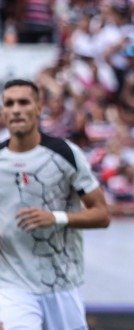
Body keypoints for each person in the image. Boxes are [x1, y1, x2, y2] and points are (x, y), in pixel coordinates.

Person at [0, 79, 111, 329]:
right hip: (12, 287)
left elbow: (102, 215)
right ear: (3, 112)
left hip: (60, 283)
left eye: (23, 102)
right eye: (9, 103)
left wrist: (56, 218)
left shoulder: (65, 154)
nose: (16, 109)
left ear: (38, 108)